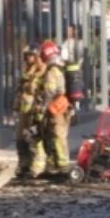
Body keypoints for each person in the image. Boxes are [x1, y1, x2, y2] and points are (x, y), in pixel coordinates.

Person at [37, 40, 72, 178]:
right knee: (53, 136)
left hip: (57, 109)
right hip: (62, 108)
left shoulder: (52, 71)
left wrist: (43, 107)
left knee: (57, 137)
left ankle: (63, 167)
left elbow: (50, 91)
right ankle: (55, 166)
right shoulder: (59, 68)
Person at [13, 45, 46, 179]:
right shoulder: (27, 71)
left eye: (30, 55)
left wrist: (40, 108)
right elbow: (21, 91)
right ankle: (23, 165)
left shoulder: (43, 71)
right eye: (26, 56)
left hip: (34, 111)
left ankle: (37, 167)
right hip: (24, 111)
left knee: (34, 138)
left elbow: (43, 91)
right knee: (21, 139)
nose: (28, 58)